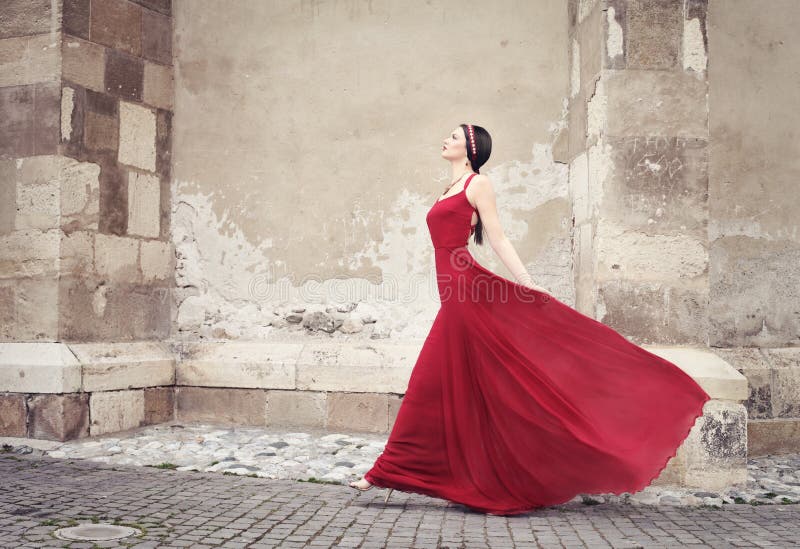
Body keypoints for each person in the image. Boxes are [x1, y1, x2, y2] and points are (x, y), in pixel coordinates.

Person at [348, 124, 711, 515]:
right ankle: (445, 473)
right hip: (452, 294)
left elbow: (499, 237)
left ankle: (384, 472)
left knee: (428, 382)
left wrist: (527, 283)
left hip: (466, 292)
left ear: (470, 149)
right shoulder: (446, 190)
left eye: (454, 137)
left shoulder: (477, 184)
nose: (445, 139)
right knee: (465, 386)